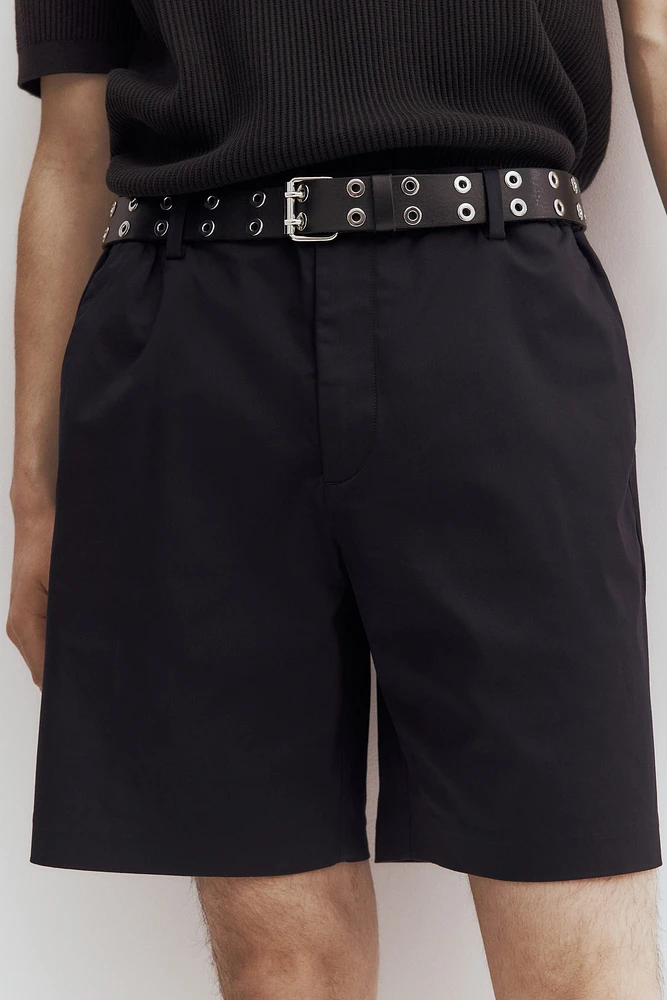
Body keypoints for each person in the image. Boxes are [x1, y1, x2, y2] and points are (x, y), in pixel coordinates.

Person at [8, 0, 666, 997]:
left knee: (577, 952)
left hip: (498, 309)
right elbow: (73, 130)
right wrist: (34, 494)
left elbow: (657, 36)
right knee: (281, 966)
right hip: (195, 329)